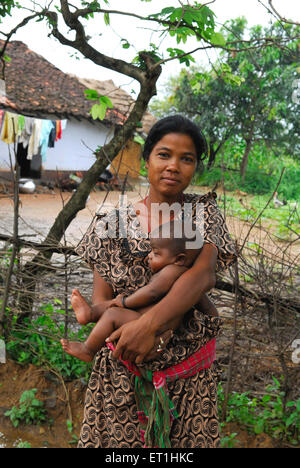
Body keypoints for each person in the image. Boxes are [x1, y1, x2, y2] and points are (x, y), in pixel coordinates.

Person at [75, 115, 237, 448]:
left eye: (186, 158)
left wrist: (150, 326)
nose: (174, 166)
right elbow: (102, 300)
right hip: (123, 370)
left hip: (188, 377)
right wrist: (128, 325)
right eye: (164, 154)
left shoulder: (201, 214)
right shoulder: (111, 222)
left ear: (195, 168)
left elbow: (202, 274)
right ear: (146, 158)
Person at [61, 220, 203, 363]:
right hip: (146, 320)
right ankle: (90, 313)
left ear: (179, 259)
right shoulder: (181, 272)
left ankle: (89, 349)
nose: (149, 256)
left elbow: (152, 292)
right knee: (114, 306)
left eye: (156, 253)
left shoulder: (172, 271)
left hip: (151, 326)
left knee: (113, 313)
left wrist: (125, 302)